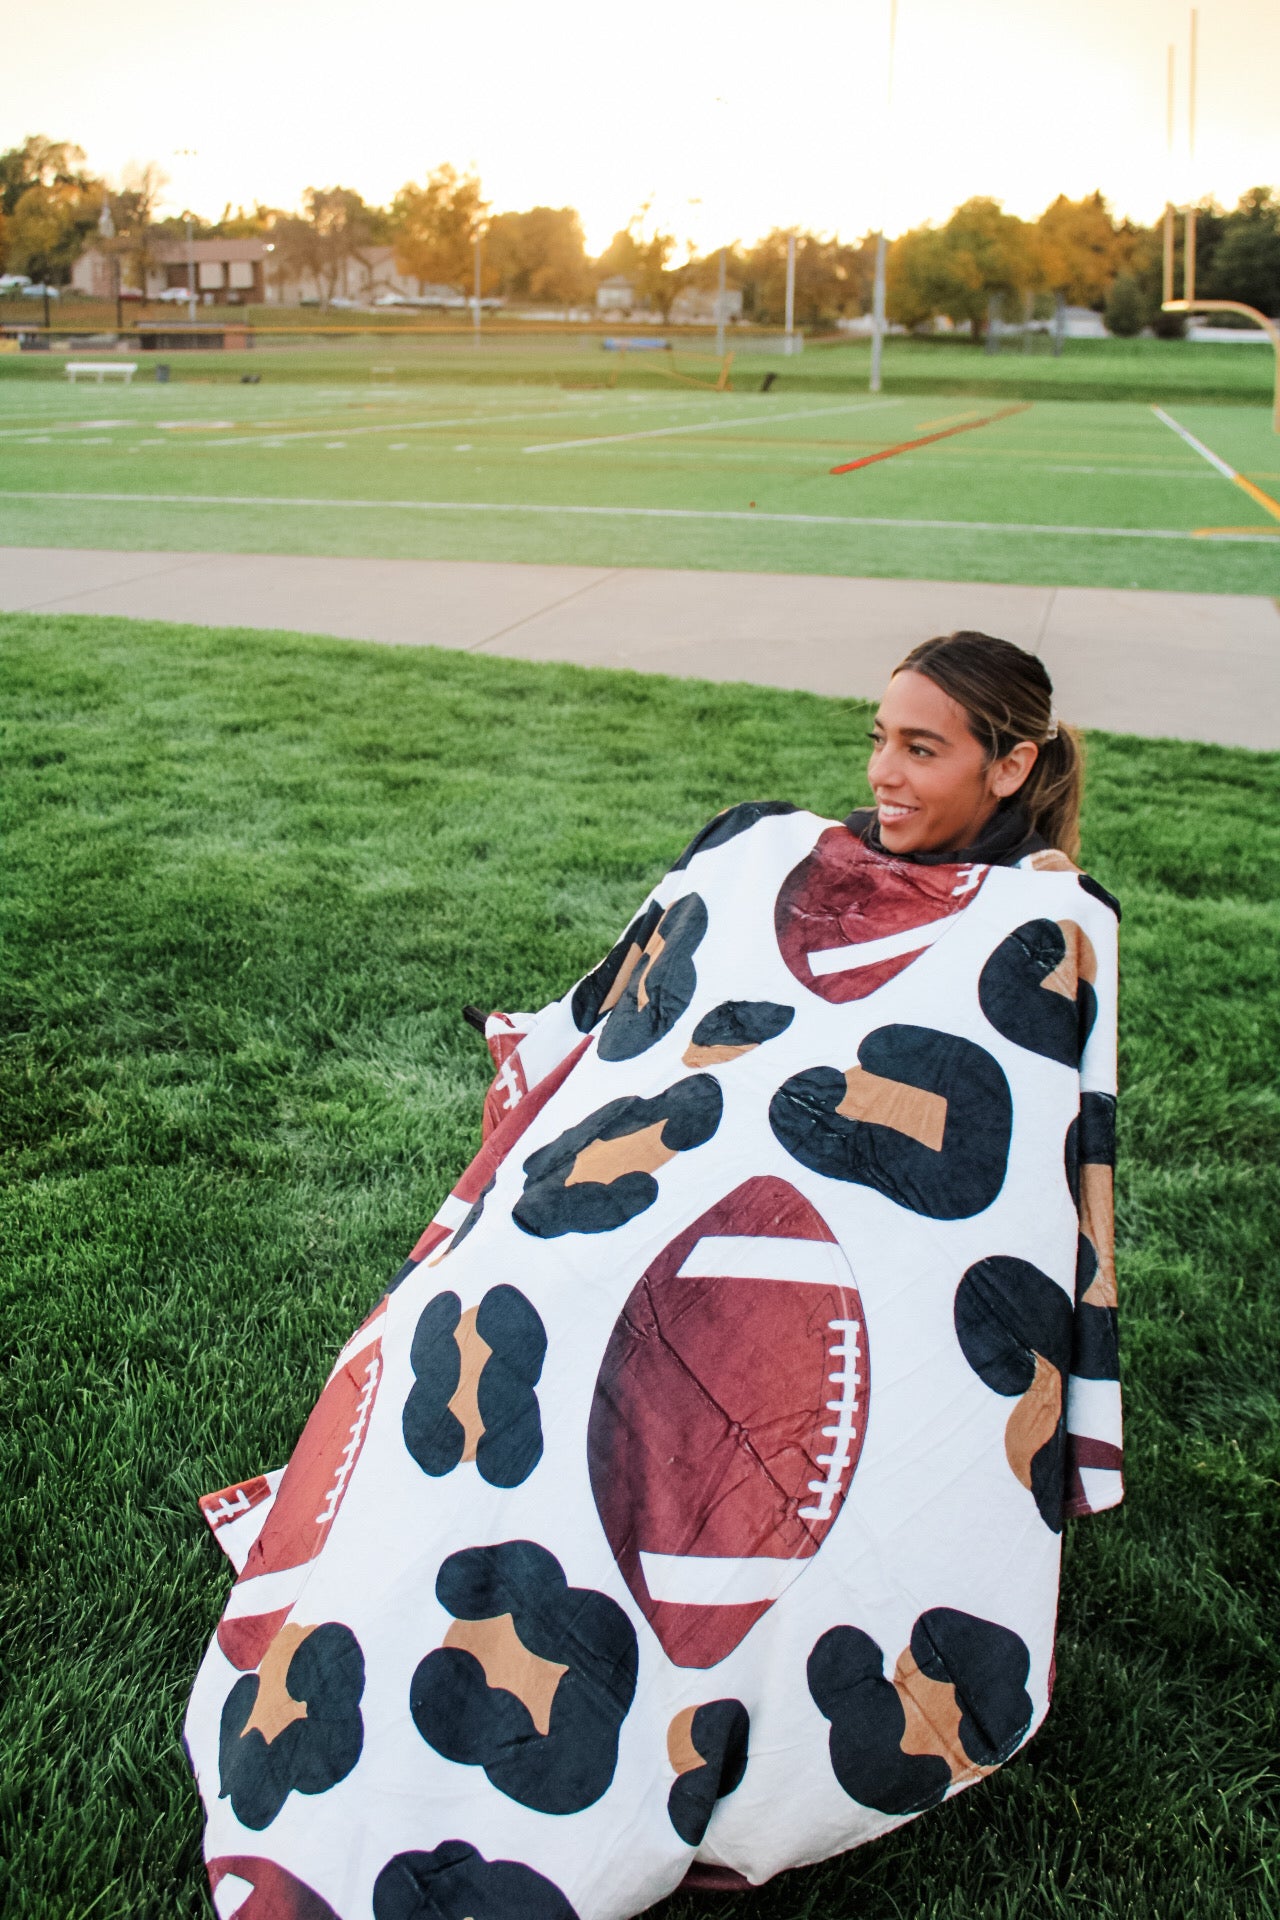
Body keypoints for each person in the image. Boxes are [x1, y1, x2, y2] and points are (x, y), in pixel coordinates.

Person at [186, 632, 1122, 1920]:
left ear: (1013, 765)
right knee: (484, 1298)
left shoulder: (1045, 922)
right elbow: (658, 1000)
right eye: (877, 737)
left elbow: (1026, 1158)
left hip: (839, 1221)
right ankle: (409, 1625)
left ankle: (607, 1704)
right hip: (660, 1157)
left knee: (645, 1385)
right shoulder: (778, 854)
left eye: (924, 750)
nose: (884, 775)